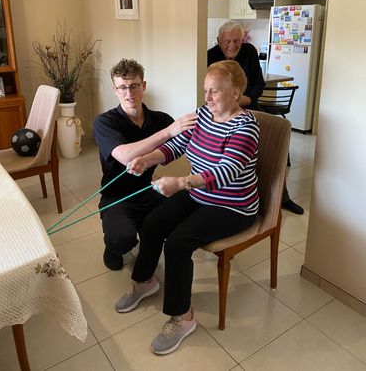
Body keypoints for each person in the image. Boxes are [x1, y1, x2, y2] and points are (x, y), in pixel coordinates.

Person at [115, 60, 260, 355]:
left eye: (214, 92)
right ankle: (144, 281)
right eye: (205, 90)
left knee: (178, 243)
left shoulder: (246, 128)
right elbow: (178, 144)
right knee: (154, 222)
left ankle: (184, 318)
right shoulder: (205, 114)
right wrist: (150, 159)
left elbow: (224, 173)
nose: (206, 98)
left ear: (235, 93)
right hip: (200, 194)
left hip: (233, 205)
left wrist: (180, 183)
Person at [93, 58, 196, 271]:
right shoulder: (104, 122)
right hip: (117, 196)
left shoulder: (160, 119)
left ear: (144, 86)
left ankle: (146, 229)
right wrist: (168, 132)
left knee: (181, 222)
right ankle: (113, 247)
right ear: (115, 90)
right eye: (122, 87)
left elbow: (190, 142)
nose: (129, 93)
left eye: (134, 86)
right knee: (123, 240)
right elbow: (124, 156)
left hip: (149, 191)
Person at [208, 19, 304, 215]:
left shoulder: (249, 51)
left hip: (248, 104)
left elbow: (259, 84)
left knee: (275, 139)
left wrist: (245, 98)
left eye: (237, 40)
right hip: (222, 110)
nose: (232, 46)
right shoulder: (210, 56)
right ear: (219, 40)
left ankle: (282, 197)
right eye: (227, 41)